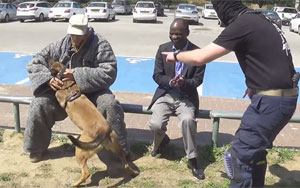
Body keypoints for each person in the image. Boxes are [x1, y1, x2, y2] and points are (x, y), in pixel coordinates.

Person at [162, 0, 298, 187]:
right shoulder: (262, 19)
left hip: (270, 102)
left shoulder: (242, 24)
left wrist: (175, 56)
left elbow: (201, 57)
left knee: (239, 156)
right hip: (282, 97)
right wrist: (256, 83)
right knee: (255, 152)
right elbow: (274, 55)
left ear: (223, 12)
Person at [24, 14, 130, 163]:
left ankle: (119, 153)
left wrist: (76, 74)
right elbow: (35, 63)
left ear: (87, 32)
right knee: (39, 104)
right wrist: (48, 80)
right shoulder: (59, 45)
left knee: (109, 104)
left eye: (78, 35)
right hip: (64, 95)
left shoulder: (101, 45)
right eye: (72, 35)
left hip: (93, 93)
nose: (74, 39)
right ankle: (35, 150)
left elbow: (109, 72)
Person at [148, 18, 206, 180]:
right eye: (171, 34)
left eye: (178, 34)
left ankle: (192, 159)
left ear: (187, 33)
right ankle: (162, 140)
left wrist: (184, 83)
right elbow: (157, 75)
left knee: (188, 120)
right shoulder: (163, 49)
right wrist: (170, 81)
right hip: (166, 93)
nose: (173, 37)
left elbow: (198, 80)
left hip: (185, 96)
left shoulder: (197, 53)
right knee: (155, 124)